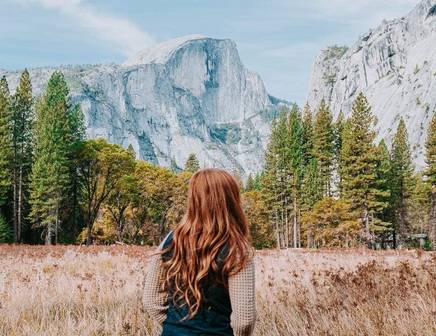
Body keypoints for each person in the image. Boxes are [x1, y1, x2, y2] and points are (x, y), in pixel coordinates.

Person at [143, 168, 256, 336]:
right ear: (231, 201)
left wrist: (178, 327)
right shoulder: (237, 249)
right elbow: (244, 319)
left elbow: (151, 301)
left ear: (194, 200)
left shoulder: (171, 240)